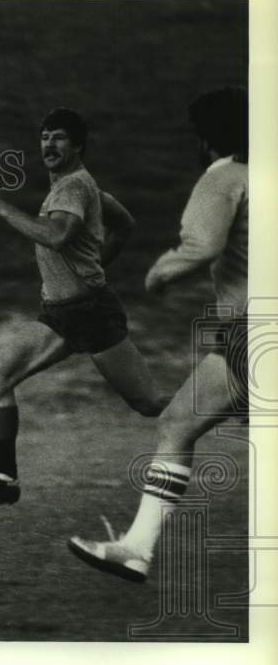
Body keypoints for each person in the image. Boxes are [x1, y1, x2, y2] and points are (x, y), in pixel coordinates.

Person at [68, 87, 248, 581]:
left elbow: (204, 244)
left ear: (207, 138)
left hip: (253, 329)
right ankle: (135, 548)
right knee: (178, 423)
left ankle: (136, 549)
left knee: (177, 427)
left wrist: (161, 272)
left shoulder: (224, 177)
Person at [0, 108, 168, 505]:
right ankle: (3, 479)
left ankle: (234, 399)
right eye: (45, 137)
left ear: (79, 145)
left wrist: (0, 207)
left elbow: (56, 236)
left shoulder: (73, 187)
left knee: (150, 405)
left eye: (60, 138)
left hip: (91, 313)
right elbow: (126, 224)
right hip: (60, 314)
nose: (49, 144)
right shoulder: (85, 190)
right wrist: (95, 266)